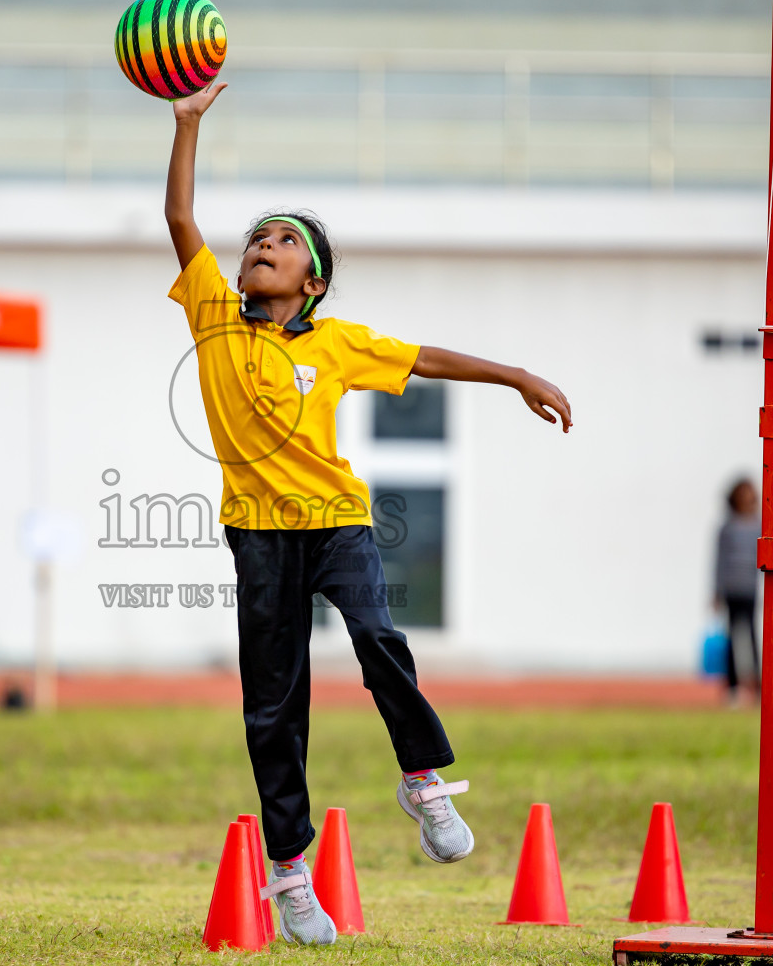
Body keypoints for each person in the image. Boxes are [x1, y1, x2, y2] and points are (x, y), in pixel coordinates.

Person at [165, 81, 573, 945]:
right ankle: (289, 871)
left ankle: (422, 780)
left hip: (338, 519)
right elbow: (180, 220)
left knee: (379, 639)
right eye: (256, 241)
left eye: (283, 242)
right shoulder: (212, 317)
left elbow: (425, 357)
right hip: (260, 534)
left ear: (311, 279)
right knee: (274, 705)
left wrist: (519, 377)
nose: (261, 248)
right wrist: (188, 126)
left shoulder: (339, 341)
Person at [713, 477, 761, 704]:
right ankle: (732, 687)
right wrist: (716, 591)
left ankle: (759, 686)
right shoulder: (727, 527)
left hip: (750, 589)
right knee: (732, 638)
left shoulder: (758, 525)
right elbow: (719, 561)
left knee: (752, 637)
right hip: (732, 589)